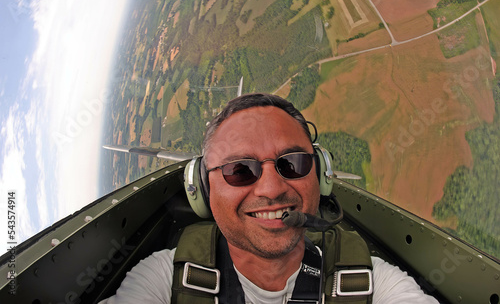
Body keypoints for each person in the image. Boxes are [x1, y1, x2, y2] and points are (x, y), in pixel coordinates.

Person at [100, 93, 438, 303]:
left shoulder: (374, 283)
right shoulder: (163, 281)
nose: (272, 189)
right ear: (203, 189)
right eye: (239, 170)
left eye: (293, 164)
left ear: (320, 176)